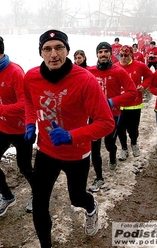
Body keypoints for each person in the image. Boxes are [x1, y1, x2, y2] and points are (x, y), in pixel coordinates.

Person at [23, 30, 115, 247]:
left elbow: (106, 123)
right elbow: (29, 101)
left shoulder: (85, 80)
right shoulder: (31, 77)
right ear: (41, 53)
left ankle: (91, 207)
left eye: (59, 48)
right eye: (47, 49)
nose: (53, 54)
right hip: (46, 151)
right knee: (39, 202)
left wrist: (71, 135)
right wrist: (30, 122)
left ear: (68, 50)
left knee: (77, 198)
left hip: (77, 152)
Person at [0, 34, 33, 216]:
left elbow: (25, 105)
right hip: (2, 127)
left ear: (0, 53)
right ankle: (7, 196)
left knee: (24, 167)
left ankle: (37, 193)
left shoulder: (16, 72)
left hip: (21, 128)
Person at [87, 42, 137, 192]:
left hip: (112, 115)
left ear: (110, 53)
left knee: (109, 144)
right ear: (96, 54)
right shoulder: (90, 71)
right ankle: (99, 178)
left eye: (105, 52)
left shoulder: (118, 71)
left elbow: (132, 93)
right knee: (94, 148)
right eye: (100, 52)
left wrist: (112, 101)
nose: (103, 54)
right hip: (94, 116)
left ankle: (113, 154)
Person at [114, 45, 153, 161]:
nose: (123, 58)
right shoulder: (115, 67)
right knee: (120, 128)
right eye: (121, 55)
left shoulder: (139, 65)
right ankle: (124, 148)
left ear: (131, 55)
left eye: (126, 55)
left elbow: (150, 76)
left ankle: (134, 143)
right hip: (119, 104)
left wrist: (143, 86)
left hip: (134, 104)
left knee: (133, 128)